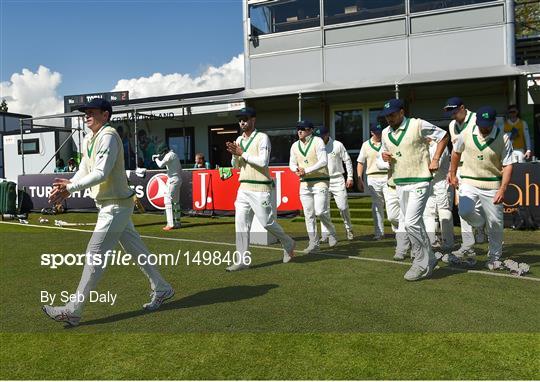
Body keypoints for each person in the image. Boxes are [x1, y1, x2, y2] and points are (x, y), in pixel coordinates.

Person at [42, 98, 174, 326]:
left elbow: (102, 173)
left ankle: (73, 310)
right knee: (137, 251)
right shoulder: (88, 139)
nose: (86, 115)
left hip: (115, 206)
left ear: (106, 115)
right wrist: (69, 187)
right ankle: (162, 288)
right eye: (85, 112)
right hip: (111, 205)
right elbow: (85, 168)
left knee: (94, 254)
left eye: (91, 111)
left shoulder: (109, 136)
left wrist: (71, 188)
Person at [380, 98, 449, 281]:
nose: (389, 118)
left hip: (420, 180)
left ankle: (420, 263)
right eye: (387, 116)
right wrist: (384, 157)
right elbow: (384, 156)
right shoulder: (386, 133)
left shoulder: (417, 124)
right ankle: (430, 258)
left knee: (411, 222)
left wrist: (435, 159)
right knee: (412, 224)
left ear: (402, 112)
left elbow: (443, 136)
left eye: (392, 114)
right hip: (400, 182)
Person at [225, 107, 295, 271]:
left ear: (253, 120)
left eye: (245, 119)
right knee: (240, 224)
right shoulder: (239, 139)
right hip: (243, 187)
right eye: (240, 119)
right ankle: (242, 260)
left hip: (261, 188)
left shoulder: (262, 138)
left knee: (266, 222)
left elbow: (263, 162)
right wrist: (235, 155)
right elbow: (235, 166)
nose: (242, 122)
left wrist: (242, 153)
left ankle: (288, 242)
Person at [448, 106, 515, 270]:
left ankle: (494, 257)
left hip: (492, 183)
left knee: (496, 222)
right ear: (476, 121)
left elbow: (507, 165)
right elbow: (456, 153)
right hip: (469, 180)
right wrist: (452, 173)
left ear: (493, 122)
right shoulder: (466, 132)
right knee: (464, 211)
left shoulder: (503, 138)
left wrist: (502, 189)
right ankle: (480, 224)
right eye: (481, 123)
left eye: (488, 124)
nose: (484, 127)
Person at [443, 97, 485, 260]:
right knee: (463, 206)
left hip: (478, 166)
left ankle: (481, 226)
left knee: (480, 204)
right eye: (449, 111)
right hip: (461, 169)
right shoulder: (452, 125)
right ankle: (468, 243)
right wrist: (451, 171)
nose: (452, 114)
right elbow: (455, 150)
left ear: (462, 107)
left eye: (454, 110)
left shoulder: (476, 119)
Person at [289, 120, 337, 253]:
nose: (299, 131)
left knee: (320, 211)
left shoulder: (318, 141)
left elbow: (323, 161)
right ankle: (313, 243)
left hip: (320, 180)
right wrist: (296, 169)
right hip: (304, 183)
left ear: (310, 130)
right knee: (308, 214)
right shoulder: (294, 146)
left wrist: (306, 170)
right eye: (298, 128)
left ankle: (332, 232)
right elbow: (292, 164)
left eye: (303, 129)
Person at [318, 126, 354, 241]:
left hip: (337, 179)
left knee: (343, 207)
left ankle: (349, 228)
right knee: (324, 209)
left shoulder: (338, 145)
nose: (320, 139)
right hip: (323, 180)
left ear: (327, 134)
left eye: (322, 136)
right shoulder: (316, 146)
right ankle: (325, 233)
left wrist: (350, 177)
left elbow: (347, 160)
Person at [357, 122, 390, 240]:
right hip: (372, 178)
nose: (379, 134)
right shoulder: (366, 145)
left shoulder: (387, 141)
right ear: (371, 132)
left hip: (387, 176)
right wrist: (359, 179)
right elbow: (360, 162)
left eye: (380, 132)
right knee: (377, 206)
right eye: (376, 132)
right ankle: (379, 232)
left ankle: (398, 231)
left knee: (391, 205)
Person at [423, 138, 454, 252]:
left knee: (444, 212)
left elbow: (435, 166)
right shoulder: (424, 146)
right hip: (430, 183)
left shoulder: (440, 146)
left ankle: (448, 242)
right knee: (428, 213)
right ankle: (432, 241)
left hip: (442, 183)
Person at [153, 143, 182, 230]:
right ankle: (177, 222)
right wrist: (158, 156)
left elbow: (160, 165)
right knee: (176, 202)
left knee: (167, 200)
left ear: (165, 151)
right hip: (177, 179)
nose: (162, 153)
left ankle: (170, 224)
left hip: (173, 180)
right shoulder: (173, 155)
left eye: (162, 152)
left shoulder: (169, 155)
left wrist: (156, 159)